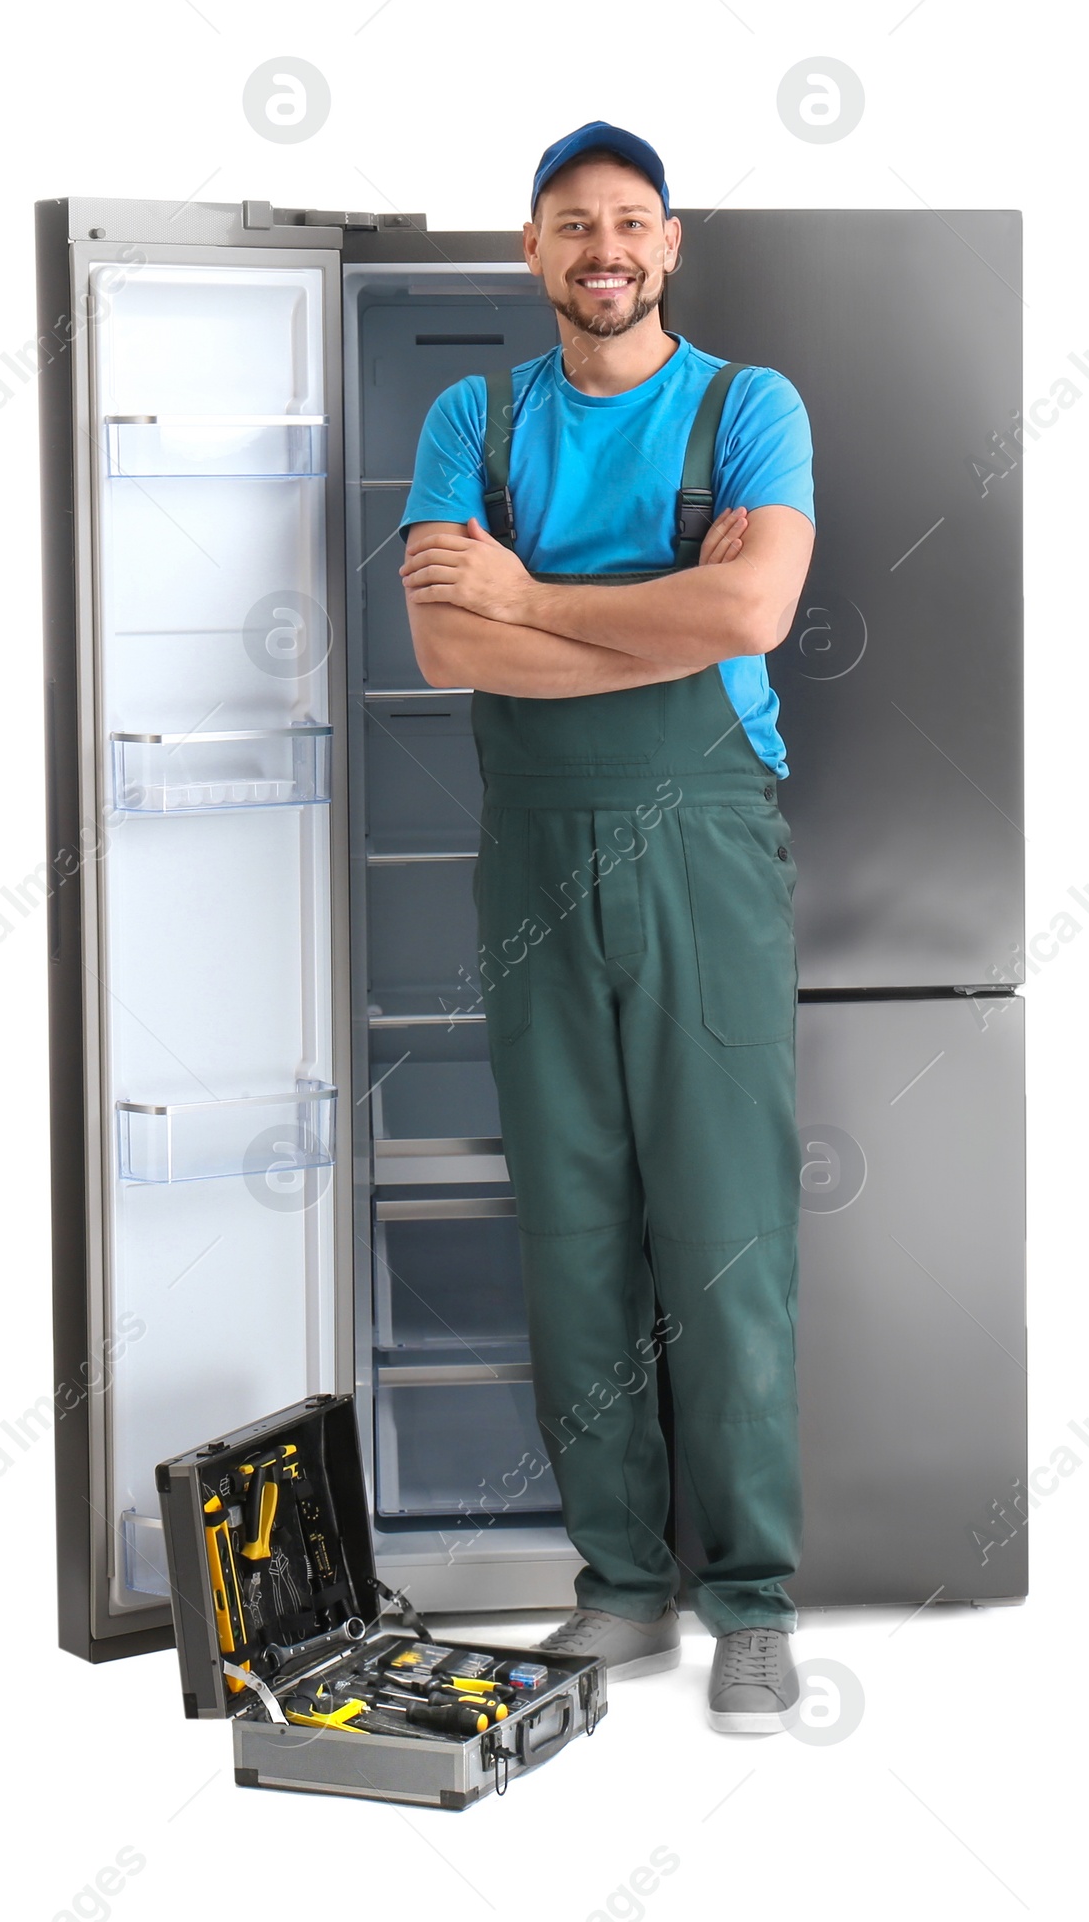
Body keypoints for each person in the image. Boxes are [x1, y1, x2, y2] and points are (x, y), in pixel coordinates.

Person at [398, 122, 815, 1732]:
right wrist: (638, 616)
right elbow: (446, 656)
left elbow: (753, 614)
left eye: (629, 224)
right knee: (573, 1234)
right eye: (573, 226)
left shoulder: (746, 405)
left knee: (726, 1238)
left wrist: (532, 600)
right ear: (531, 251)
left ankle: (756, 1603)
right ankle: (622, 1586)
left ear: (671, 242)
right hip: (536, 860)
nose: (604, 251)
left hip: (706, 847)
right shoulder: (473, 419)